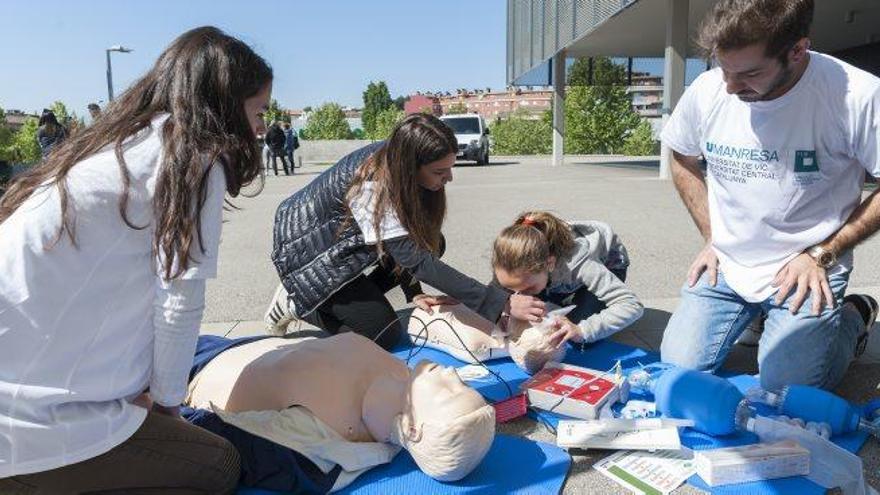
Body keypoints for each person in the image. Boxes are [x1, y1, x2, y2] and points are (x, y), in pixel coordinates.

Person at [0, 26, 273, 493]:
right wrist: (168, 408)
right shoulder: (192, 157)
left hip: (20, 386)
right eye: (258, 111)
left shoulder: (113, 144)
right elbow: (178, 303)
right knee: (218, 465)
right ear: (226, 104)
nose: (262, 127)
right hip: (26, 427)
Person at [659, 0, 880, 392]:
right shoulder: (711, 88)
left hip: (807, 266)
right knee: (678, 373)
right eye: (723, 69)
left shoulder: (857, 96)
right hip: (728, 262)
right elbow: (681, 156)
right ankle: (758, 317)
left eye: (748, 74)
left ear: (798, 50)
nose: (729, 86)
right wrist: (713, 237)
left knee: (786, 390)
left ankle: (852, 319)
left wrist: (823, 253)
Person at [265, 114, 545, 349]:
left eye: (450, 167)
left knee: (434, 243)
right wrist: (498, 303)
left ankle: (342, 302)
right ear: (411, 167)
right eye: (439, 172)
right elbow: (414, 259)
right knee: (381, 333)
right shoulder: (371, 184)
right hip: (308, 253)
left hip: (341, 243)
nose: (449, 177)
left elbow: (415, 244)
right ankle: (300, 303)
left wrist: (414, 293)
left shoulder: (401, 162)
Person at [183, 332, 496, 492]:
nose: (454, 378)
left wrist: (166, 403)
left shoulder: (324, 442)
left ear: (415, 430)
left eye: (450, 394)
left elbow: (218, 437)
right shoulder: (402, 376)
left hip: (189, 369)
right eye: (465, 387)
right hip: (237, 344)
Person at [491, 211, 644, 348]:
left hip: (609, 263)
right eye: (513, 289)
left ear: (549, 263)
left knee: (569, 334)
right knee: (535, 317)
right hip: (551, 274)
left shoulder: (578, 261)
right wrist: (505, 303)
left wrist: (582, 330)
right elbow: (490, 298)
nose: (521, 295)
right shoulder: (508, 263)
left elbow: (631, 305)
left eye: (527, 289)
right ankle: (554, 295)